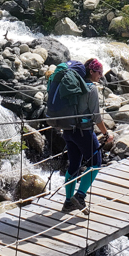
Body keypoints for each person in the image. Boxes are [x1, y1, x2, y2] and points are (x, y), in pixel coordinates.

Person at [49, 57, 112, 214]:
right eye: (99, 73)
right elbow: (96, 116)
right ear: (91, 72)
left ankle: (68, 202)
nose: (101, 76)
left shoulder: (74, 85)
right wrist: (106, 133)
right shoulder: (91, 89)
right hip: (83, 132)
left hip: (68, 131)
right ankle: (80, 195)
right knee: (96, 162)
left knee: (74, 165)